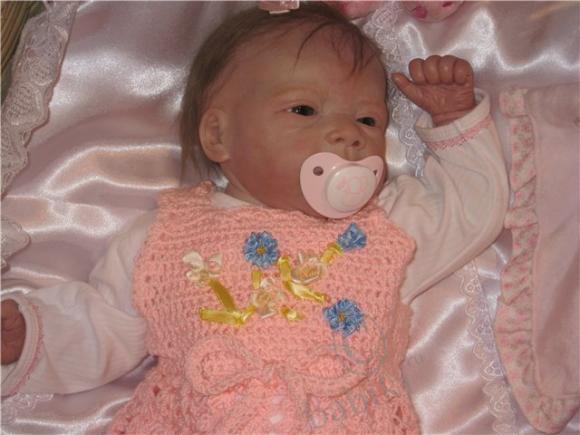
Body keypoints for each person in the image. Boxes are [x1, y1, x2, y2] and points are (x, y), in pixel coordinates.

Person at [1, 2, 508, 433]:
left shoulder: (386, 229)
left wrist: (453, 120)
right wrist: (31, 334)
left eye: (368, 119)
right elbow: (105, 324)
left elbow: (469, 210)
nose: (348, 133)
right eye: (304, 110)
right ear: (219, 136)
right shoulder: (166, 237)